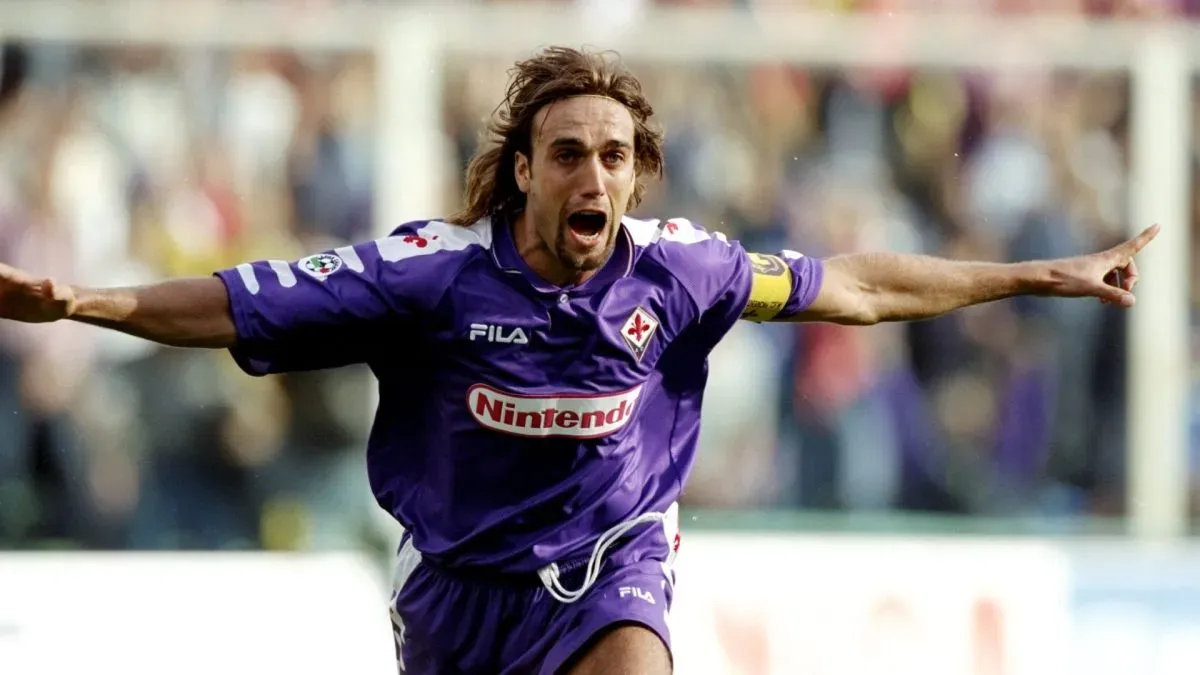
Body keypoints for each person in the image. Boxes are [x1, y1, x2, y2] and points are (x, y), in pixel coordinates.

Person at [0, 46, 1157, 674]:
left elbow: (851, 286)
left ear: (637, 174)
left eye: (613, 156)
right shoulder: (432, 277)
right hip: (458, 593)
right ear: (524, 172)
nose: (592, 177)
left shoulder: (686, 271)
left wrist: (1037, 274)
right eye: (568, 155)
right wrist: (81, 302)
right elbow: (242, 306)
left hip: (607, 570)